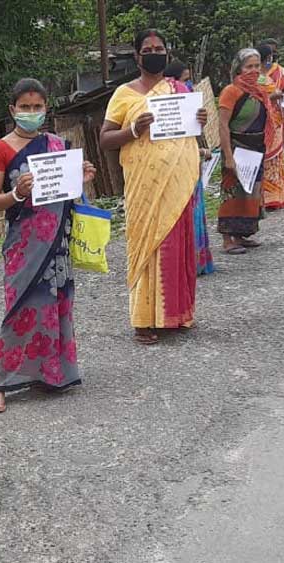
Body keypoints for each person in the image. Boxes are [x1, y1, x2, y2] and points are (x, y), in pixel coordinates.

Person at [0, 79, 96, 413]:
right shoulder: (0, 150)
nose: (31, 113)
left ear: (46, 109)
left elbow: (67, 193)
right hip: (24, 242)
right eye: (25, 107)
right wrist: (17, 193)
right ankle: (1, 383)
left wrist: (81, 178)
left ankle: (52, 373)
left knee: (55, 304)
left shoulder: (57, 144)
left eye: (37, 107)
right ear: (12, 110)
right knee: (18, 307)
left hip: (57, 242)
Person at [99, 30, 208, 345]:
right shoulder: (124, 94)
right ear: (137, 56)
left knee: (177, 243)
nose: (154, 52)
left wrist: (198, 120)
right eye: (147, 49)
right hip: (143, 184)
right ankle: (144, 321)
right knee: (146, 245)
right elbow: (105, 139)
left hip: (176, 179)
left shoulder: (179, 90)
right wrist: (132, 129)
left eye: (159, 48)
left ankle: (177, 314)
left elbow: (189, 132)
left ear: (167, 52)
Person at [218, 48, 277, 254]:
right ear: (239, 68)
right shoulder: (231, 91)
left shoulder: (260, 89)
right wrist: (227, 156)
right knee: (233, 192)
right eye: (248, 66)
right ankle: (228, 239)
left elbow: (272, 97)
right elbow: (223, 125)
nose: (253, 70)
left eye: (256, 66)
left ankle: (241, 235)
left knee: (251, 192)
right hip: (237, 147)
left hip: (256, 147)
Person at [164, 61, 216, 276]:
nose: (190, 85)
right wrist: (201, 153)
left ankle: (196, 260)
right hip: (175, 171)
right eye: (185, 80)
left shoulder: (189, 108)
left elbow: (190, 140)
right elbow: (170, 145)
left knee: (194, 210)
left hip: (191, 167)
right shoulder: (165, 110)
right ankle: (185, 263)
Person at [260, 40, 284, 210]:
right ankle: (271, 197)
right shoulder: (258, 74)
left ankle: (274, 197)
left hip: (274, 118)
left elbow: (283, 92)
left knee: (274, 157)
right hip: (263, 118)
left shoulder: (279, 72)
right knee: (267, 158)